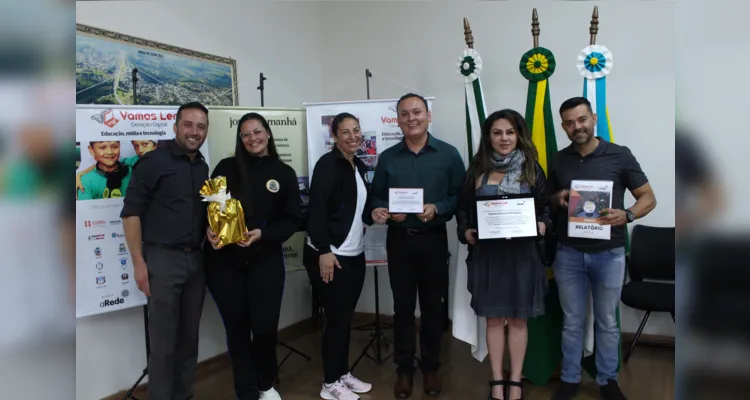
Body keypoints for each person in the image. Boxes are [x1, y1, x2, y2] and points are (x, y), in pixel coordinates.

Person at [548, 97, 657, 400]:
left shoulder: (620, 155)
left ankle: (607, 380)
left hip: (609, 253)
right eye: (569, 123)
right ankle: (569, 379)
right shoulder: (558, 159)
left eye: (581, 119)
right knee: (571, 321)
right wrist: (557, 198)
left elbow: (648, 197)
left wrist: (629, 214)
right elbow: (548, 199)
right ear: (563, 126)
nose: (576, 127)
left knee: (607, 321)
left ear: (594, 118)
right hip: (568, 252)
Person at [370, 93, 466, 398]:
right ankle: (404, 370)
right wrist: (381, 210)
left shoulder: (448, 155)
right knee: (402, 309)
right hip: (399, 242)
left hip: (434, 241)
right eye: (405, 114)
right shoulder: (388, 157)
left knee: (433, 309)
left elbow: (460, 197)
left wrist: (437, 208)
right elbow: (376, 197)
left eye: (417, 112)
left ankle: (431, 367)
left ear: (428, 115)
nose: (411, 118)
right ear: (397, 120)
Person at [205, 112, 303, 400]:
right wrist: (208, 230)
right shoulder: (224, 167)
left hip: (266, 262)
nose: (252, 138)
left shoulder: (284, 174)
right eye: (246, 134)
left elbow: (292, 219)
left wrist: (264, 234)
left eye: (257, 132)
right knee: (236, 328)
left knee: (264, 327)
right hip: (225, 264)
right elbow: (209, 208)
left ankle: (265, 383)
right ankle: (246, 390)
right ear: (240, 139)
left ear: (268, 133)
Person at [456, 109, 551, 400]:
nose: (504, 138)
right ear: (488, 136)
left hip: (523, 256)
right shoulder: (476, 170)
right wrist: (466, 231)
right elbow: (463, 210)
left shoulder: (532, 169)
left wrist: (543, 223)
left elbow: (546, 206)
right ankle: (497, 379)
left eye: (510, 132)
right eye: (497, 132)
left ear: (518, 134)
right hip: (489, 256)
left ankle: (515, 379)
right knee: (495, 319)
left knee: (519, 319)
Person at [120, 102, 211, 400]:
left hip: (197, 259)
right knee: (162, 343)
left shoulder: (202, 166)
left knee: (189, 340)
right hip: (163, 259)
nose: (194, 132)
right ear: (175, 127)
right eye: (188, 124)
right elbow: (131, 213)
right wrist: (138, 264)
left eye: (201, 126)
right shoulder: (152, 163)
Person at [303, 112, 374, 400]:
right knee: (335, 321)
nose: (352, 136)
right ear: (334, 136)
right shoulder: (327, 165)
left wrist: (375, 213)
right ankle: (330, 383)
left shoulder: (358, 165)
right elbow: (316, 209)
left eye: (356, 130)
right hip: (330, 255)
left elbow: (356, 208)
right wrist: (323, 251)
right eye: (345, 132)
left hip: (354, 254)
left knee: (345, 319)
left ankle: (342, 372)